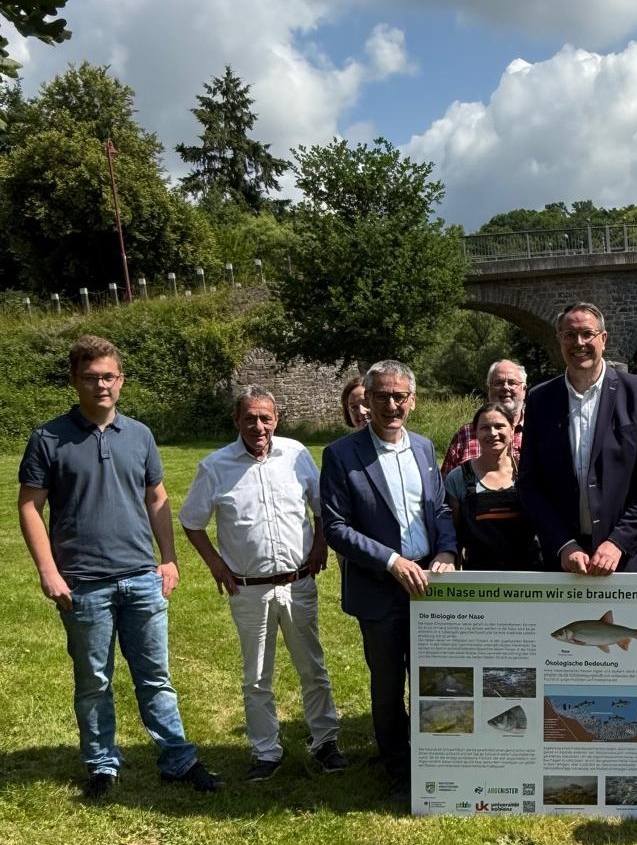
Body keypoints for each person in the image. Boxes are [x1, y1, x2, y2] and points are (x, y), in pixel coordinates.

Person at [17, 334, 222, 798]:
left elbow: (157, 497)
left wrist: (168, 558)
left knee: (156, 677)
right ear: (75, 382)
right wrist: (48, 571)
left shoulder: (141, 435)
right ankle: (102, 766)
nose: (101, 386)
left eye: (108, 376)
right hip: (83, 583)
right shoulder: (48, 438)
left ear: (121, 380)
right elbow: (30, 506)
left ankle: (178, 759)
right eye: (90, 378)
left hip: (141, 577)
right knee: (94, 680)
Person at [179, 387, 347, 781]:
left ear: (276, 419)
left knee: (313, 668)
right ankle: (266, 751)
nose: (259, 426)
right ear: (236, 421)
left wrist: (320, 544)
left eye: (266, 418)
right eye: (250, 418)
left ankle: (325, 742)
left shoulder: (296, 454)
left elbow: (321, 505)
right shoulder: (215, 466)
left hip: (298, 583)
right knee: (257, 675)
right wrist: (216, 564)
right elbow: (191, 521)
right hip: (248, 588)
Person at [320, 360, 457, 802]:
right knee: (387, 683)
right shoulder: (342, 454)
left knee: (433, 678)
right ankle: (399, 771)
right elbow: (336, 527)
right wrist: (391, 561)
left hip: (429, 585)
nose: (391, 405)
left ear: (412, 401)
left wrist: (447, 551)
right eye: (382, 396)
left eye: (400, 396)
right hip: (381, 586)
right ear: (367, 401)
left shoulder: (422, 447)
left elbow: (438, 510)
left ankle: (437, 758)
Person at [518, 302, 637, 574]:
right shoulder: (540, 400)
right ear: (559, 340)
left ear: (603, 338)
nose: (579, 342)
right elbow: (530, 484)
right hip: (564, 561)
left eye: (587, 333)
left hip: (625, 558)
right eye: (569, 335)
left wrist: (618, 541)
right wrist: (563, 544)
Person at [444, 402, 539, 570]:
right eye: (485, 428)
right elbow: (452, 533)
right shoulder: (458, 478)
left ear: (512, 428)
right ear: (475, 432)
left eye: (499, 426)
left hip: (528, 577)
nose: (493, 433)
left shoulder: (528, 473)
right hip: (479, 578)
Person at [440, 359, 527, 475]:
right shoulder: (466, 434)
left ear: (524, 390)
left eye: (512, 383)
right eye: (498, 383)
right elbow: (447, 484)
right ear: (489, 389)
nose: (505, 387)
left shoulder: (539, 432)